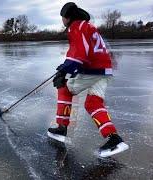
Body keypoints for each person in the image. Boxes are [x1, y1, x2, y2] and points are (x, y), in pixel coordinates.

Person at [48, 2, 129, 157]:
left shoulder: (76, 26)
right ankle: (114, 139)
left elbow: (79, 52)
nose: (62, 21)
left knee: (64, 87)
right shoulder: (89, 26)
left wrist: (64, 71)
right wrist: (66, 68)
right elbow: (89, 51)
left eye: (62, 17)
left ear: (68, 16)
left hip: (93, 69)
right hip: (105, 69)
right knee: (93, 102)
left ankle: (61, 128)